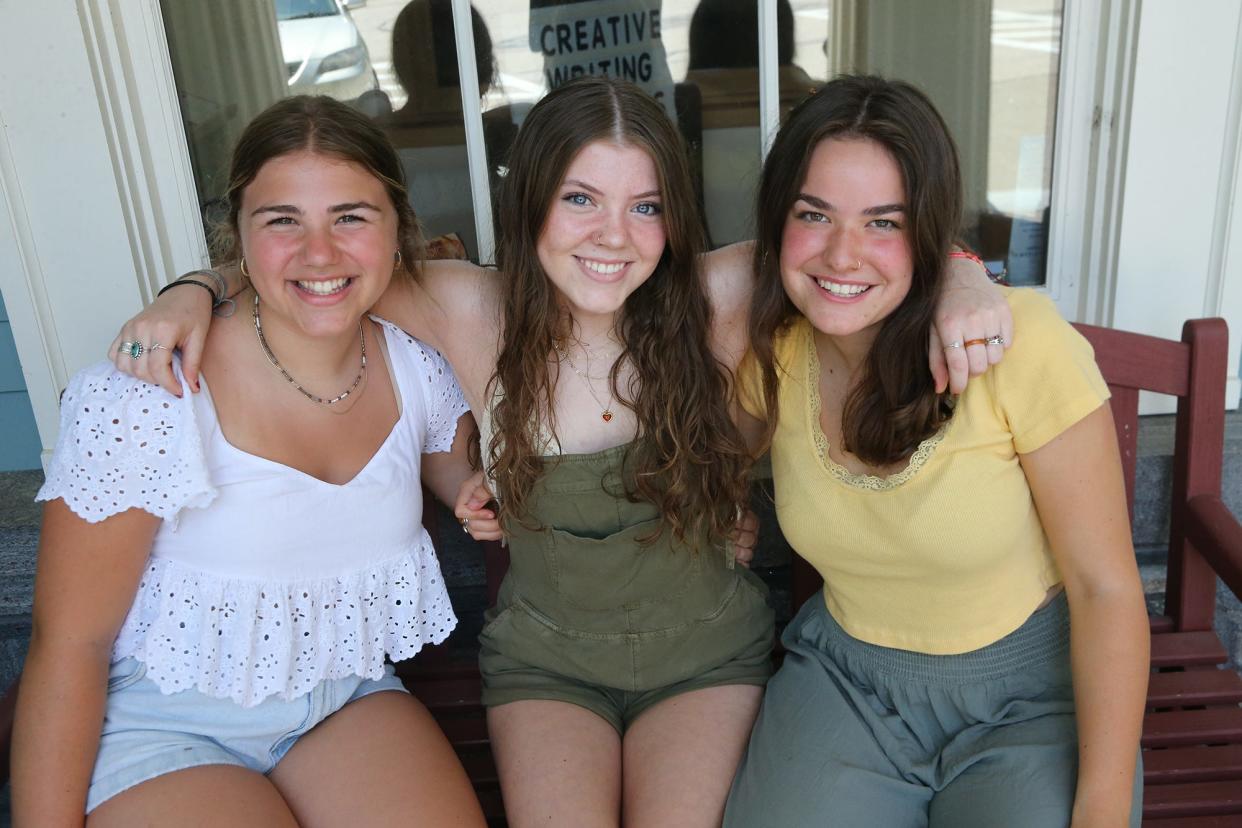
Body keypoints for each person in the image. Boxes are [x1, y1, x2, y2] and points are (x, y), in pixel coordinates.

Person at [104, 76, 1011, 826]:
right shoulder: (471, 311)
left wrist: (966, 275)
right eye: (580, 198)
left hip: (705, 659)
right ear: (530, 199)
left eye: (643, 206)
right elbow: (321, 259)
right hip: (548, 669)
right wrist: (195, 286)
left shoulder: (719, 295)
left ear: (673, 218)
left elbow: (854, 251)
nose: (612, 237)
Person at [11, 96, 486, 826]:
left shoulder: (421, 364)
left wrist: (469, 490)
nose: (319, 253)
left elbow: (443, 460)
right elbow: (70, 644)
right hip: (166, 724)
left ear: (398, 230)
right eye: (282, 220)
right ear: (238, 234)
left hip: (343, 695)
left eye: (351, 216)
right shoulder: (147, 397)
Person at [724, 75, 1148, 827]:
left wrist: (1104, 810)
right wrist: (726, 501)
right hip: (849, 683)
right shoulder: (772, 353)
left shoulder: (1015, 344)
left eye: (884, 223)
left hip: (1034, 695)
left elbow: (1107, 589)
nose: (843, 254)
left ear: (927, 231)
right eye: (813, 214)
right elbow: (648, 293)